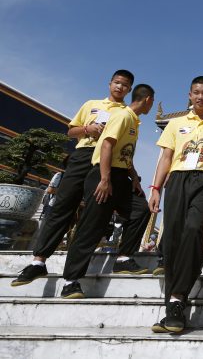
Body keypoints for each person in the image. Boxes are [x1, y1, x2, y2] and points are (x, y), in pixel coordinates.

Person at [12, 70, 151, 287]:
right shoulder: (91, 105)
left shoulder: (127, 113)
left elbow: (124, 149)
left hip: (109, 163)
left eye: (125, 85)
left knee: (96, 216)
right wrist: (89, 128)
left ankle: (77, 275)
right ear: (109, 83)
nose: (119, 88)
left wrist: (133, 176)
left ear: (130, 90)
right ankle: (38, 261)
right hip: (84, 155)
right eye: (116, 83)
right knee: (63, 207)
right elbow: (71, 131)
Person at [148, 76, 203, 333]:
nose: (200, 97)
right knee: (174, 239)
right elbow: (166, 157)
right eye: (196, 93)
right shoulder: (176, 123)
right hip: (177, 180)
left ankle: (178, 299)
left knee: (192, 230)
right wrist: (155, 189)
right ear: (189, 94)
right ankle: (172, 307)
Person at [59, 85, 155, 298]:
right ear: (147, 100)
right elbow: (106, 146)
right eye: (152, 101)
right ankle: (71, 281)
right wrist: (104, 179)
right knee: (92, 225)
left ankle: (122, 258)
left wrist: (135, 177)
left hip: (121, 176)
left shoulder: (134, 121)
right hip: (104, 174)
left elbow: (125, 153)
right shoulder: (122, 116)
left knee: (141, 209)